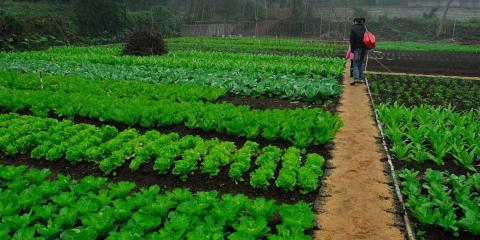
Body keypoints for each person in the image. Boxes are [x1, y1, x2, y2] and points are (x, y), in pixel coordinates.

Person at [350, 17, 367, 85]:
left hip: (357, 49)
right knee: (360, 63)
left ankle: (356, 79)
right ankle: (361, 79)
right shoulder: (364, 28)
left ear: (355, 22)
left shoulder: (353, 28)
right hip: (364, 49)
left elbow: (352, 41)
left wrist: (352, 49)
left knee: (355, 63)